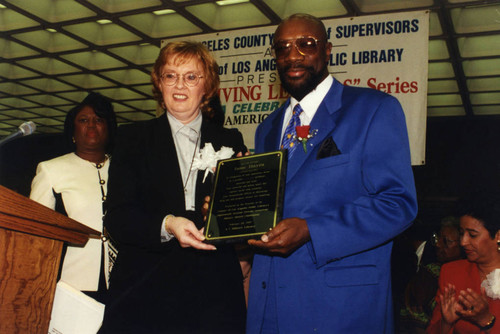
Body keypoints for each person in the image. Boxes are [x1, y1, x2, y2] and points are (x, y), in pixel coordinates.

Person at [246, 13, 418, 333]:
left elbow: (398, 203)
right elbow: (266, 209)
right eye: (282, 48)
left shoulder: (374, 109)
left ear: (327, 50)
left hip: (340, 310)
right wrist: (227, 214)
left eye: (306, 44)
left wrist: (313, 230)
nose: (292, 55)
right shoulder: (267, 128)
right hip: (268, 306)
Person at [99, 41, 247, 334]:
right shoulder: (132, 139)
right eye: (170, 75)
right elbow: (117, 217)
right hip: (145, 294)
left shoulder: (230, 140)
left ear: (207, 86)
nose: (180, 85)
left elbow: (238, 220)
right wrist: (168, 224)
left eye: (191, 76)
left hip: (214, 297)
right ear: (159, 82)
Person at [29, 92, 117, 302]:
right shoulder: (51, 169)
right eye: (84, 120)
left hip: (121, 282)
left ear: (109, 129)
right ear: (73, 131)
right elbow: (35, 234)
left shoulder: (124, 169)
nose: (92, 125)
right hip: (70, 282)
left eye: (99, 120)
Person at [427, 191, 500, 333]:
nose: (463, 242)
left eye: (472, 235)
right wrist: (446, 323)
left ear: (498, 235)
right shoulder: (452, 273)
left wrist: (486, 321)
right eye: (461, 233)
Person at [399, 216, 463, 333]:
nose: (438, 244)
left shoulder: (471, 272)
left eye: (446, 241)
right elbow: (413, 318)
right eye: (437, 238)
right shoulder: (429, 274)